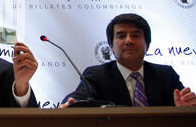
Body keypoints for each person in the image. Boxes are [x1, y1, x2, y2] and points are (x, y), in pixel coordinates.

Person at [60, 13, 196, 108]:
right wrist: (71, 104)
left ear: (147, 44)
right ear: (111, 47)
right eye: (121, 36)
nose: (129, 41)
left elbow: (184, 103)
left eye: (135, 35)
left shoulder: (165, 75)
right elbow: (78, 99)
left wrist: (186, 106)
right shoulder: (97, 75)